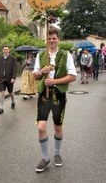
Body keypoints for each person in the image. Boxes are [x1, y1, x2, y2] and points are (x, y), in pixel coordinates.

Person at [33, 28, 77, 172]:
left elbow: (72, 76)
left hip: (59, 95)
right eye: (49, 38)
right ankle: (45, 158)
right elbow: (35, 76)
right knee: (41, 127)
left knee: (58, 127)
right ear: (47, 40)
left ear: (58, 39)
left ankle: (57, 154)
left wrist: (54, 81)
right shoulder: (41, 55)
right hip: (44, 95)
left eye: (54, 38)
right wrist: (41, 72)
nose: (51, 41)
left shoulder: (66, 55)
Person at [0, 45, 17, 114]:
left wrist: (13, 78)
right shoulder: (0, 58)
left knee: (10, 92)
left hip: (10, 79)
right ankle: (1, 107)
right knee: (2, 93)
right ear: (3, 50)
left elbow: (15, 69)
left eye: (7, 49)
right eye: (4, 49)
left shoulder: (12, 58)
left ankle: (13, 101)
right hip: (2, 79)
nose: (5, 51)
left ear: (9, 50)